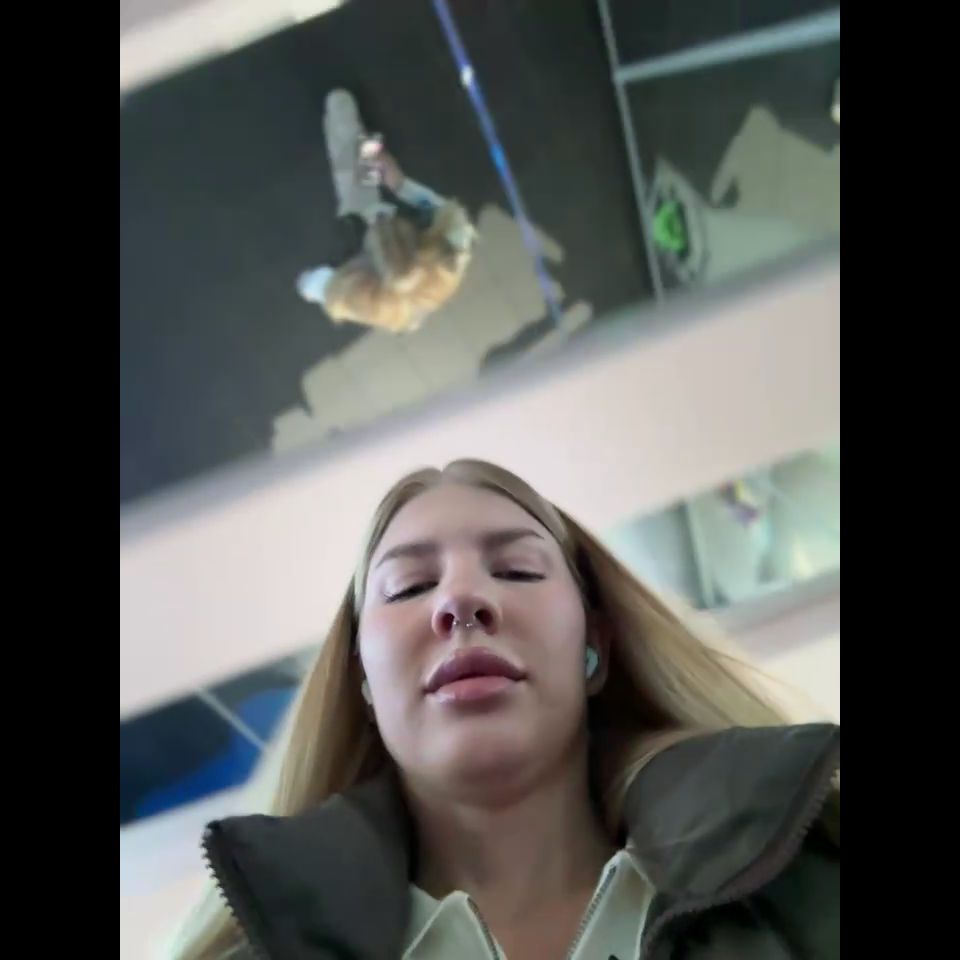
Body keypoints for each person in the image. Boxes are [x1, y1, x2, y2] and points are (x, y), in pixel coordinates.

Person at [175, 459, 839, 960]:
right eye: (408, 586)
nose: (460, 600)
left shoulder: (816, 879)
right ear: (364, 683)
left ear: (595, 647)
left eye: (518, 570)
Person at [297, 90, 477, 334]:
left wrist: (310, 284)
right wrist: (400, 184)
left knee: (354, 184)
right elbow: (447, 214)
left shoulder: (358, 295)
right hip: (368, 224)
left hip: (357, 218)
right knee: (362, 165)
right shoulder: (450, 249)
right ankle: (360, 138)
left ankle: (352, 129)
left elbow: (319, 286)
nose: (381, 220)